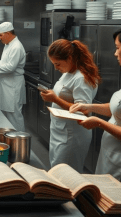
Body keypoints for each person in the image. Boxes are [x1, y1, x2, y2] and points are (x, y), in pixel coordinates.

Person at [70, 22, 121, 198]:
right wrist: (89, 107)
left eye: (117, 48)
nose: (114, 53)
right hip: (112, 156)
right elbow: (118, 109)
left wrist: (99, 123)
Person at [40, 39, 101, 173]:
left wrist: (55, 98)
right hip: (60, 129)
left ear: (69, 58)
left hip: (72, 135)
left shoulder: (80, 78)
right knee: (56, 170)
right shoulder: (68, 73)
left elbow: (83, 111)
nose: (56, 68)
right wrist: (53, 95)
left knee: (66, 174)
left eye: (58, 64)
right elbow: (64, 94)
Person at [0, 22, 26, 132]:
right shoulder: (8, 45)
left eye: (1, 35)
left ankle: (18, 138)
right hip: (8, 84)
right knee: (9, 114)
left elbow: (11, 67)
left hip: (13, 84)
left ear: (8, 33)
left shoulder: (16, 47)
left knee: (14, 115)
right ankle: (11, 136)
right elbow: (6, 61)